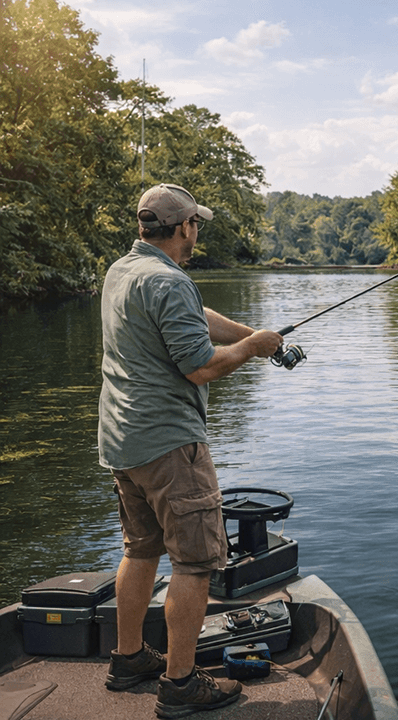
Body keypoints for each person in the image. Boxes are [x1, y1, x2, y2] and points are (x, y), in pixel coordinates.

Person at [97, 183, 282, 717]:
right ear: (183, 228)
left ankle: (128, 658)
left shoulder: (124, 271)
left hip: (123, 441)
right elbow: (199, 366)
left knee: (139, 549)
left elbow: (196, 316)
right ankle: (179, 685)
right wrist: (249, 349)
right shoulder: (169, 283)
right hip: (170, 446)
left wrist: (258, 335)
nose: (197, 230)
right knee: (195, 562)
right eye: (195, 223)